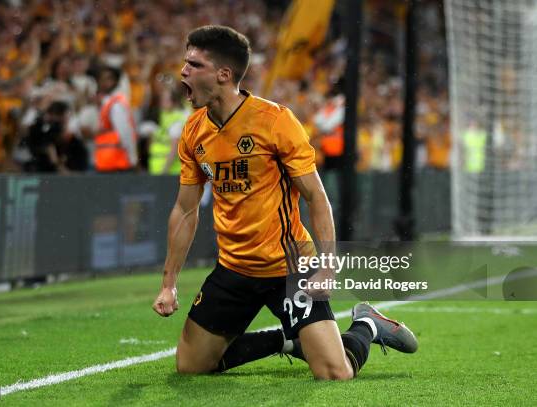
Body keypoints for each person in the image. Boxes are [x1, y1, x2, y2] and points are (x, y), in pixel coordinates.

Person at [152, 25, 417, 380]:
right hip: (235, 269)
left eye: (193, 65)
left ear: (223, 74)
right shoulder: (193, 131)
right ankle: (288, 340)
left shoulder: (275, 121)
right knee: (192, 366)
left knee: (335, 373)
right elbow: (185, 210)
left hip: (290, 268)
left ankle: (366, 324)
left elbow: (316, 197)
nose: (182, 72)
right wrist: (169, 284)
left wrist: (326, 268)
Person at [94, 65, 138, 172]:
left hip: (117, 162)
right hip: (110, 160)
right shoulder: (109, 101)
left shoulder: (116, 104)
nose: (104, 82)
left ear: (116, 81)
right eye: (102, 79)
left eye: (108, 79)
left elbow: (124, 133)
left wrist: (132, 159)